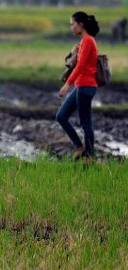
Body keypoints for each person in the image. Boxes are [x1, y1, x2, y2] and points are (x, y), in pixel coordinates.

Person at [56, 11, 100, 162]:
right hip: (81, 86)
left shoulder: (88, 41)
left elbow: (80, 66)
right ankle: (80, 148)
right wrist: (72, 52)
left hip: (86, 86)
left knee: (85, 123)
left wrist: (67, 85)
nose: (71, 27)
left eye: (73, 24)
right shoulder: (83, 43)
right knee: (61, 116)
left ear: (81, 25)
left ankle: (89, 156)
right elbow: (73, 63)